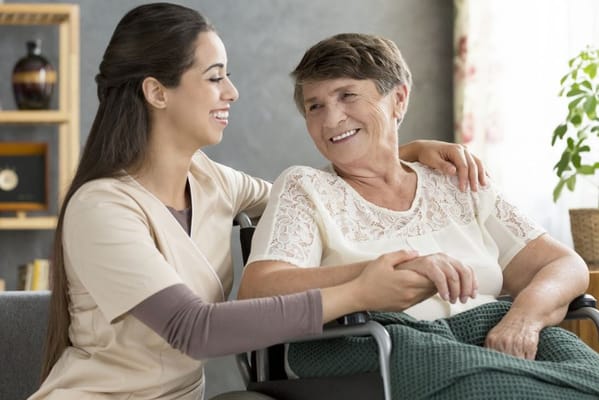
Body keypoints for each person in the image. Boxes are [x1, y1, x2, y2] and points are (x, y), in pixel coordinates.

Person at [28, 5, 487, 400]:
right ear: (156, 92)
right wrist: (359, 292)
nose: (232, 92)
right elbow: (195, 330)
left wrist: (402, 151)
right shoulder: (101, 209)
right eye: (215, 77)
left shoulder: (211, 182)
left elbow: (314, 196)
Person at [238, 33, 599, 399]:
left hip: (491, 332)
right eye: (314, 106)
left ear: (398, 99)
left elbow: (563, 265)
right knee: (489, 388)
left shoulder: (455, 179)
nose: (330, 119)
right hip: (386, 343)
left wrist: (525, 318)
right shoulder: (305, 187)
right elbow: (258, 292)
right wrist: (381, 272)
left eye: (347, 95)